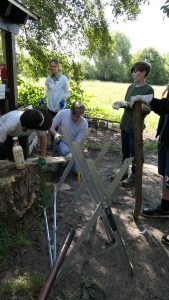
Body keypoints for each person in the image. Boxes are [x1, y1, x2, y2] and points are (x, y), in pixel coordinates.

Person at [130, 94, 169, 245]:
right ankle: (165, 208)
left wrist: (149, 99)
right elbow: (165, 108)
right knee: (166, 177)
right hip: (166, 138)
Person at [112, 61, 154, 187]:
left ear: (144, 72)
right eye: (133, 71)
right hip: (125, 124)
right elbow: (128, 103)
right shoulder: (130, 87)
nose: (133, 74)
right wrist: (121, 103)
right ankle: (124, 173)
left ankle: (135, 177)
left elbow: (148, 108)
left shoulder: (148, 89)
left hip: (135, 127)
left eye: (136, 71)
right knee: (125, 152)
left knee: (136, 154)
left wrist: (132, 104)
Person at [50, 101, 88, 173]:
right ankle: (58, 158)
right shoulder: (62, 113)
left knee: (77, 171)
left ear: (82, 114)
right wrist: (56, 134)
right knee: (66, 151)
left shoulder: (84, 124)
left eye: (78, 116)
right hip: (60, 142)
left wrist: (77, 152)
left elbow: (77, 143)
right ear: (71, 111)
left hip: (73, 146)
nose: (75, 118)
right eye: (73, 115)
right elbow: (51, 128)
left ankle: (65, 160)